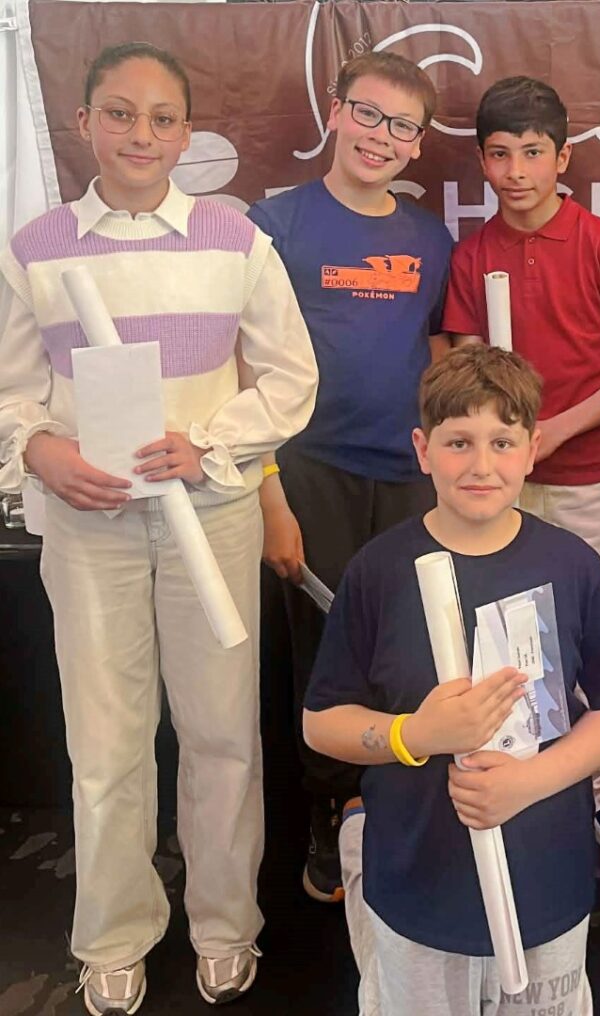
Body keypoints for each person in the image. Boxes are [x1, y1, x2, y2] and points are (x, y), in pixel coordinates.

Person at [0, 43, 318, 1014]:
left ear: (186, 134)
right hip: (88, 524)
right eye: (120, 113)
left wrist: (208, 443)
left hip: (209, 517)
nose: (141, 134)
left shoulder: (234, 239)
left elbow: (291, 378)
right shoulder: (35, 247)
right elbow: (10, 390)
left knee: (222, 732)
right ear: (84, 122)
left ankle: (225, 924)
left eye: (162, 118)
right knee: (106, 739)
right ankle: (112, 934)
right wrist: (39, 450)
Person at [304, 344, 600, 1015]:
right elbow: (322, 724)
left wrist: (530, 781)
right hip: (418, 881)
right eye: (459, 442)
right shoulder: (378, 571)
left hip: (544, 875)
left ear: (531, 450)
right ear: (423, 449)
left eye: (503, 441)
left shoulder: (569, 563)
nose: (482, 465)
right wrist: (414, 734)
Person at [443, 77, 600, 883]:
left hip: (589, 481)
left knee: (598, 644)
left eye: (533, 153)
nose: (516, 171)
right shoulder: (472, 255)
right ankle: (524, 795)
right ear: (482, 162)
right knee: (503, 648)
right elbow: (467, 373)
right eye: (500, 155)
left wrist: (557, 430)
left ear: (563, 157)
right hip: (499, 491)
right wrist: (501, 449)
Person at [248, 51, 453, 904]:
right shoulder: (274, 223)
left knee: (408, 647)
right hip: (311, 472)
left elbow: (437, 354)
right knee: (324, 654)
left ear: (418, 144)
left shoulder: (430, 239)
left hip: (408, 478)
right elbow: (241, 364)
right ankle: (329, 810)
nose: (381, 136)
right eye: (368, 113)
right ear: (334, 112)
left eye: (402, 125)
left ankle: (396, 804)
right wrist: (269, 492)